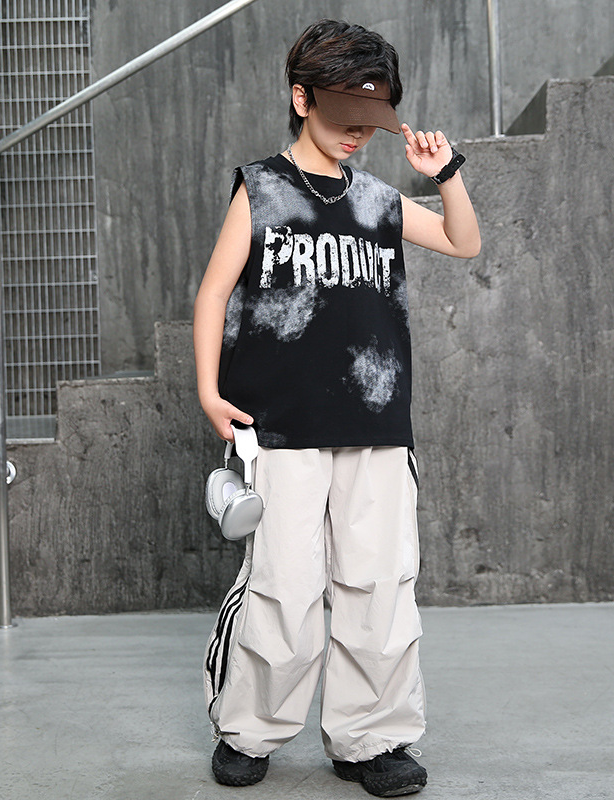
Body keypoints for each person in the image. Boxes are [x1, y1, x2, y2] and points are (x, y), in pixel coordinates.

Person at [193, 18, 480, 797]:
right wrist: (209, 390)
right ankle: (249, 730)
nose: (357, 133)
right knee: (282, 585)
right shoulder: (261, 188)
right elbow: (215, 292)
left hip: (376, 427)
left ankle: (372, 740)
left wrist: (446, 173)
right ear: (301, 99)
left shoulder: (382, 200)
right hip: (278, 426)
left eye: (370, 118)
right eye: (343, 115)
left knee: (379, 584)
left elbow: (463, 242)